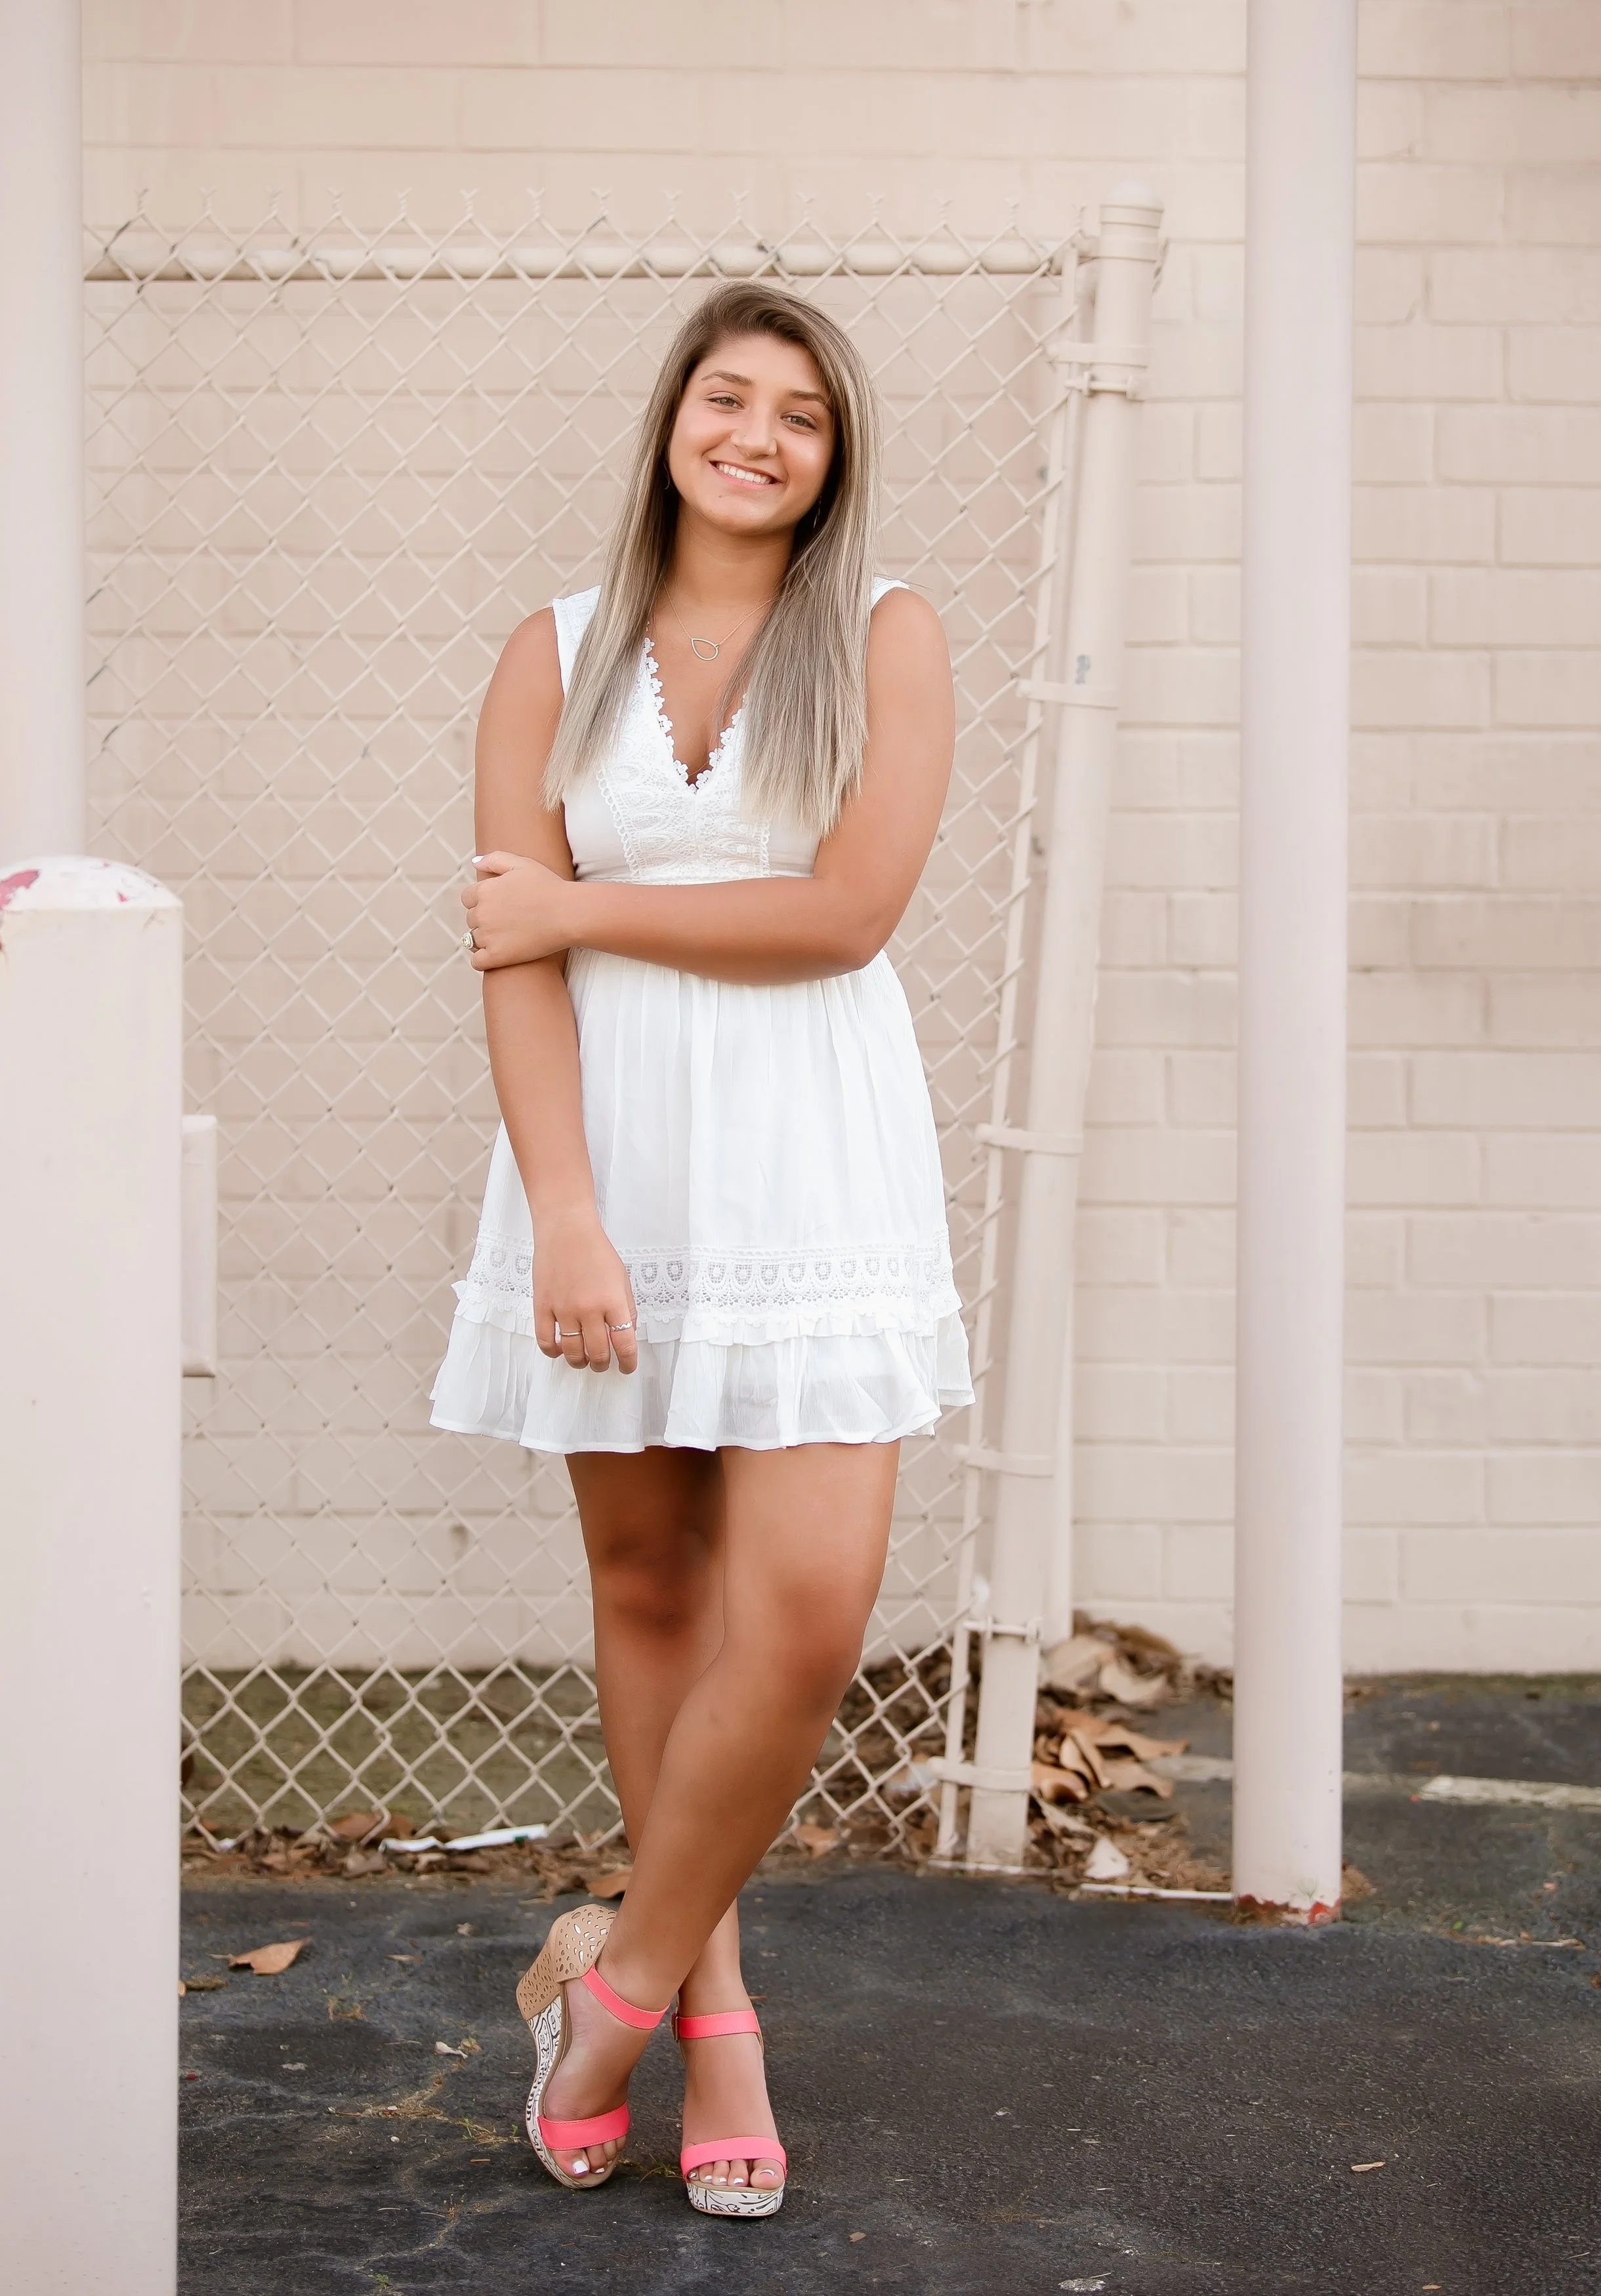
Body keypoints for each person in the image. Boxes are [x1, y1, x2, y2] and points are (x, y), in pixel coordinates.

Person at [430, 279, 970, 2218]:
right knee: (654, 1585)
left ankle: (620, 1977)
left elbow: (844, 914)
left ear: (834, 460)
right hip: (612, 1163)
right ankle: (720, 2013)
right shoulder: (550, 653)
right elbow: (510, 951)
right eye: (726, 395)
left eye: (800, 415)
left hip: (812, 1159)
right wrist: (563, 1207)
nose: (755, 432)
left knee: (807, 1614)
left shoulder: (885, 634)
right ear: (672, 414)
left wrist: (583, 904)